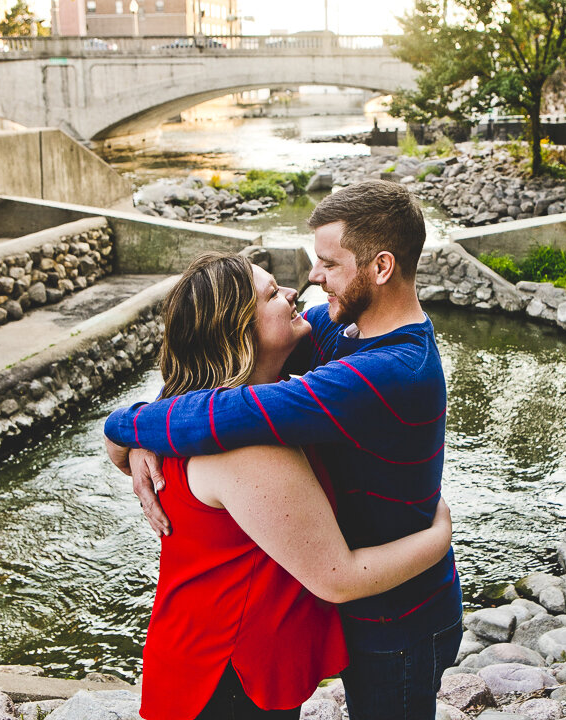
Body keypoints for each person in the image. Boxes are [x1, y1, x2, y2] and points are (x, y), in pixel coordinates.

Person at [105, 180, 464, 720]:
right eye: (276, 292)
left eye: (328, 263)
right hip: (339, 608)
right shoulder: (338, 331)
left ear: (381, 267)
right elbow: (216, 375)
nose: (310, 280)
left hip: (399, 614)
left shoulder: (389, 371)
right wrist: (129, 435)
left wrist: (125, 427)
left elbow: (230, 413)